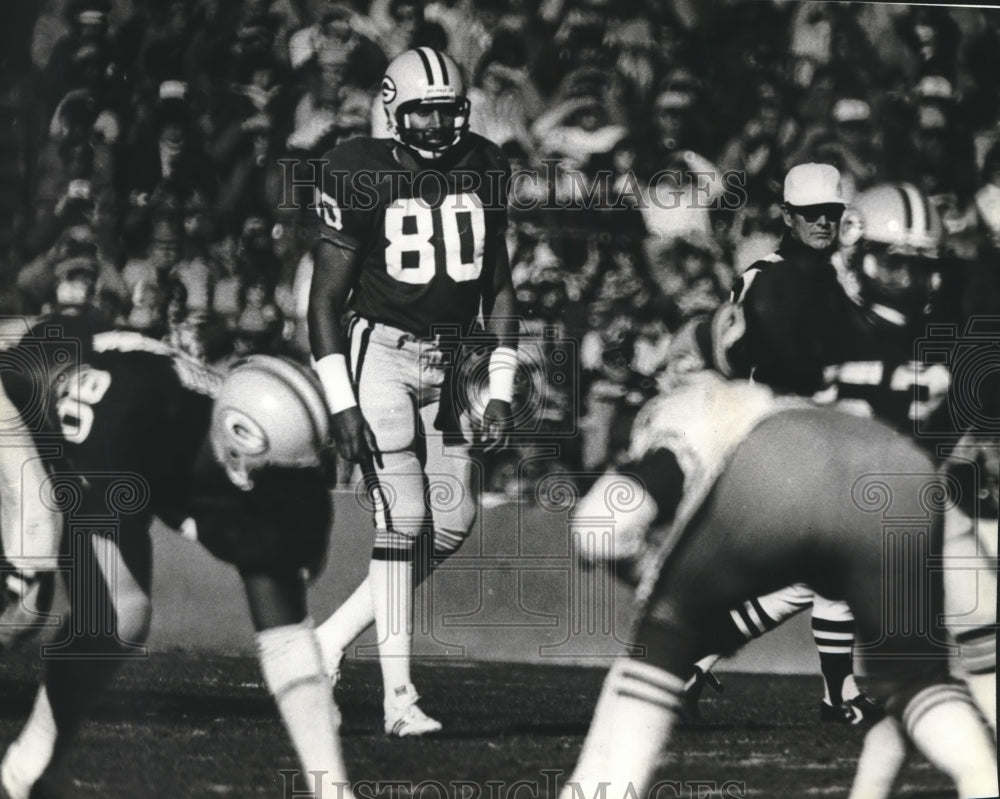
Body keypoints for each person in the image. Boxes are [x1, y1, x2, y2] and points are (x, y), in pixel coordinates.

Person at [561, 373, 999, 799]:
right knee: (920, 682)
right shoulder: (727, 407)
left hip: (840, 487)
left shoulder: (712, 407)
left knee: (911, 678)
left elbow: (600, 526)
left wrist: (657, 587)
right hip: (885, 495)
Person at [0, 326, 352, 799]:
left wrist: (333, 789)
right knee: (50, 595)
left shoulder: (245, 456)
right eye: (285, 478)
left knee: (113, 618)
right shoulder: (129, 418)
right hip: (13, 391)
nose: (297, 495)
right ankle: (26, 770)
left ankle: (26, 772)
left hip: (82, 410)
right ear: (237, 454)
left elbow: (288, 642)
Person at [307, 47, 518, 736]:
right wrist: (340, 400)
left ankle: (327, 642)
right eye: (420, 111)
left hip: (455, 357)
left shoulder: (485, 163)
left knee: (450, 523)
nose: (434, 124)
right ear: (393, 110)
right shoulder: (356, 170)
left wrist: (504, 385)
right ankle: (399, 699)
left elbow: (500, 286)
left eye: (445, 110)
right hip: (382, 354)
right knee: (402, 523)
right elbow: (323, 303)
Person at [683, 163, 881, 723]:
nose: (823, 221)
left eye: (831, 212)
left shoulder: (845, 273)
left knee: (815, 576)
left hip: (828, 429)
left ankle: (695, 657)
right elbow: (751, 358)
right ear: (788, 217)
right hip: (785, 430)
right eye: (812, 213)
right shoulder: (769, 277)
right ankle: (837, 697)